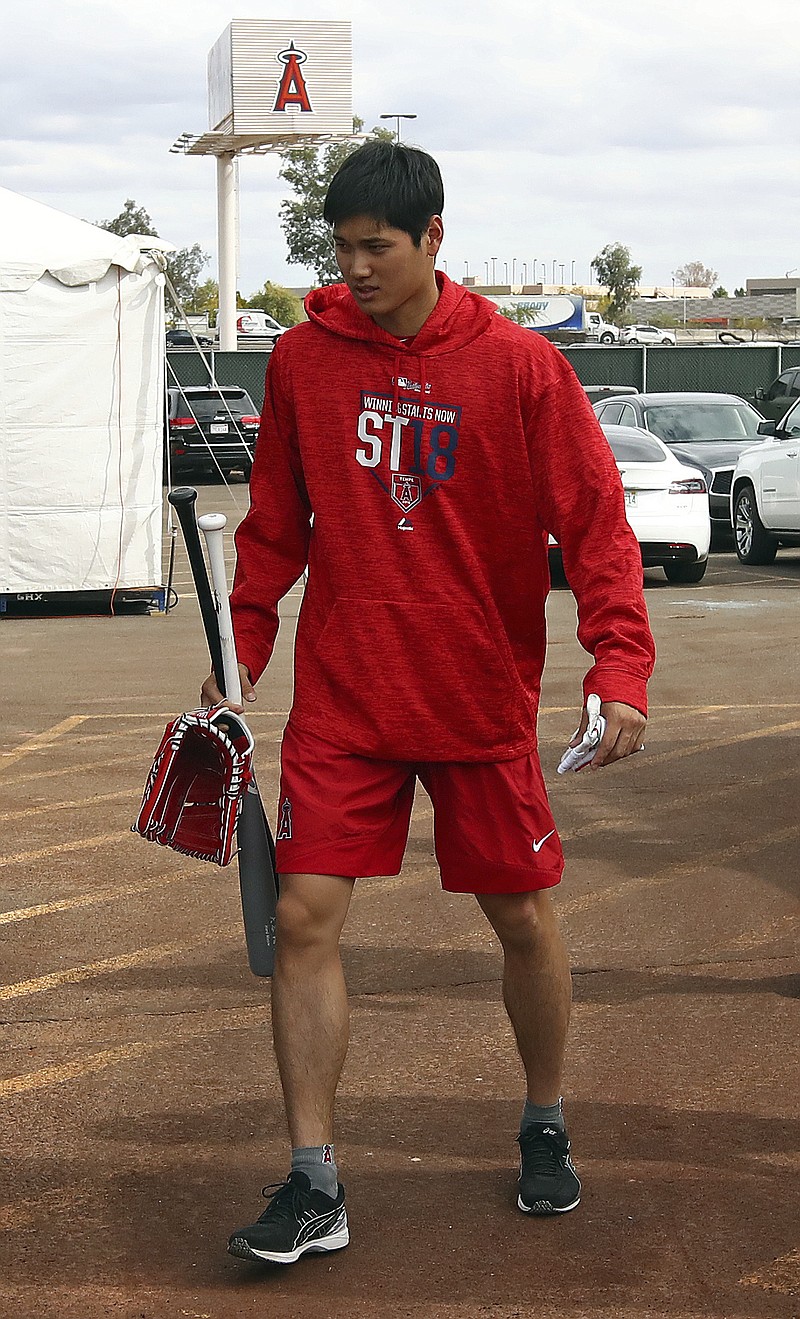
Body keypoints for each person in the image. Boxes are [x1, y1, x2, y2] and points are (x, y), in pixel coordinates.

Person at [202, 141, 655, 1266]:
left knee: (519, 919)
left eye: (376, 247)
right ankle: (314, 1179)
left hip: (476, 699)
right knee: (301, 920)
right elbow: (271, 530)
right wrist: (239, 648)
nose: (353, 267)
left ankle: (542, 1118)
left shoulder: (516, 367)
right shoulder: (303, 362)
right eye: (339, 246)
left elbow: (594, 524)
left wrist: (618, 665)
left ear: (433, 240)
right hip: (345, 701)